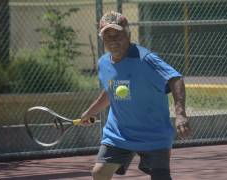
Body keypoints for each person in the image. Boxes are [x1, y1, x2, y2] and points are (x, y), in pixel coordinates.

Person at [80, 11, 191, 180]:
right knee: (99, 173)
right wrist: (91, 111)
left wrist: (180, 113)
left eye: (117, 34)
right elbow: (111, 91)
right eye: (107, 35)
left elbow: (175, 78)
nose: (112, 40)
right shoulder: (103, 63)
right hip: (118, 133)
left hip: (154, 134)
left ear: (128, 34)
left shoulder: (145, 58)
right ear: (102, 39)